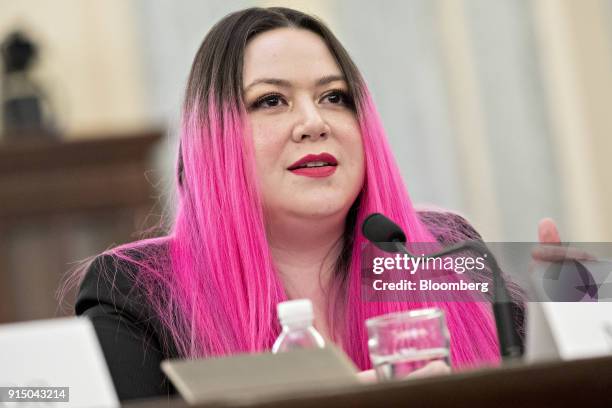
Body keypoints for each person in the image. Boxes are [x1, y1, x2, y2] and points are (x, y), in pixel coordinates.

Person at [69, 7, 556, 402]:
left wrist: (569, 309)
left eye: (334, 96)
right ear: (214, 137)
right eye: (271, 101)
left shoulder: (445, 250)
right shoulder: (133, 290)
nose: (313, 122)